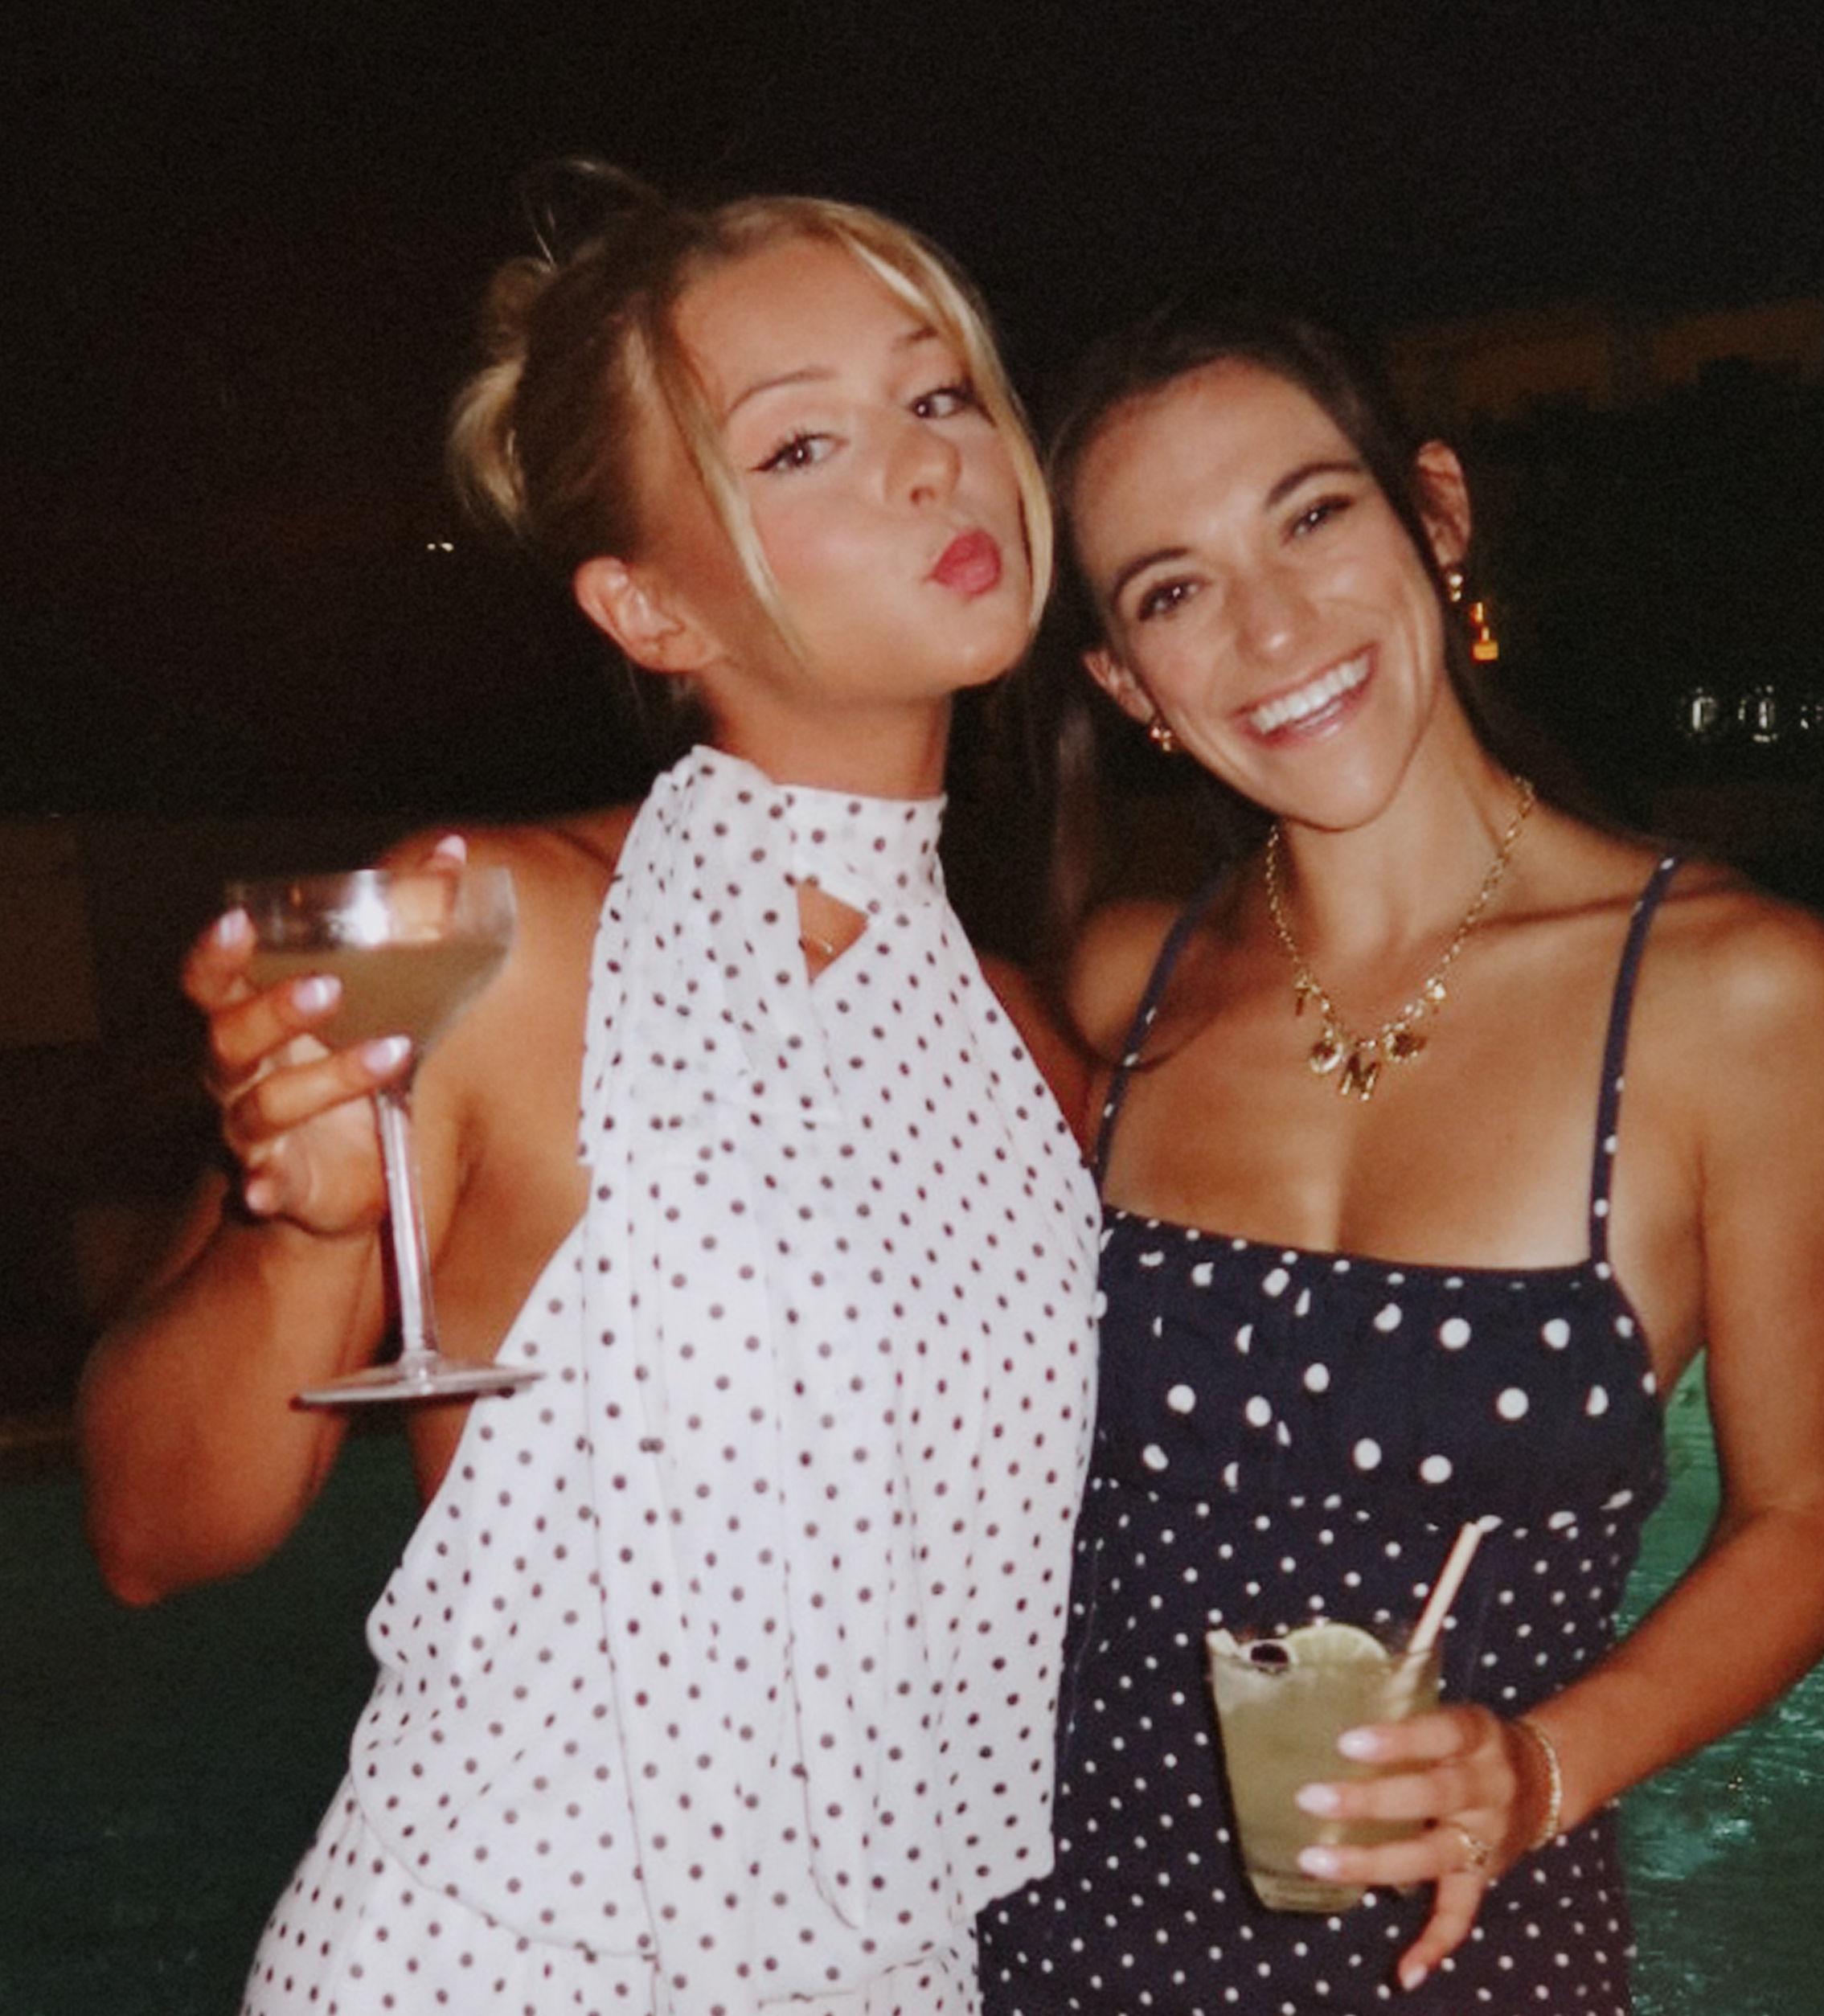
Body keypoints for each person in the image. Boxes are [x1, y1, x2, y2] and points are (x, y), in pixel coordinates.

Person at [79, 168, 1100, 2015]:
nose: (926, 466)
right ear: (647, 608)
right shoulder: (498, 926)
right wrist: (296, 1229)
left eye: (939, 392)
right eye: (801, 446)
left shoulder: (1034, 1050)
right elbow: (154, 1532)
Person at [975, 297, 1824, 2012]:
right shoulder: (1123, 982)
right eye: (1172, 591)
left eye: (1312, 515)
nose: (1270, 625)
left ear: (1438, 514)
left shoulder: (1735, 999)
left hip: (1464, 1954)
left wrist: (1544, 1767)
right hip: (1064, 1932)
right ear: (1125, 683)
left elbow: (1811, 1518)